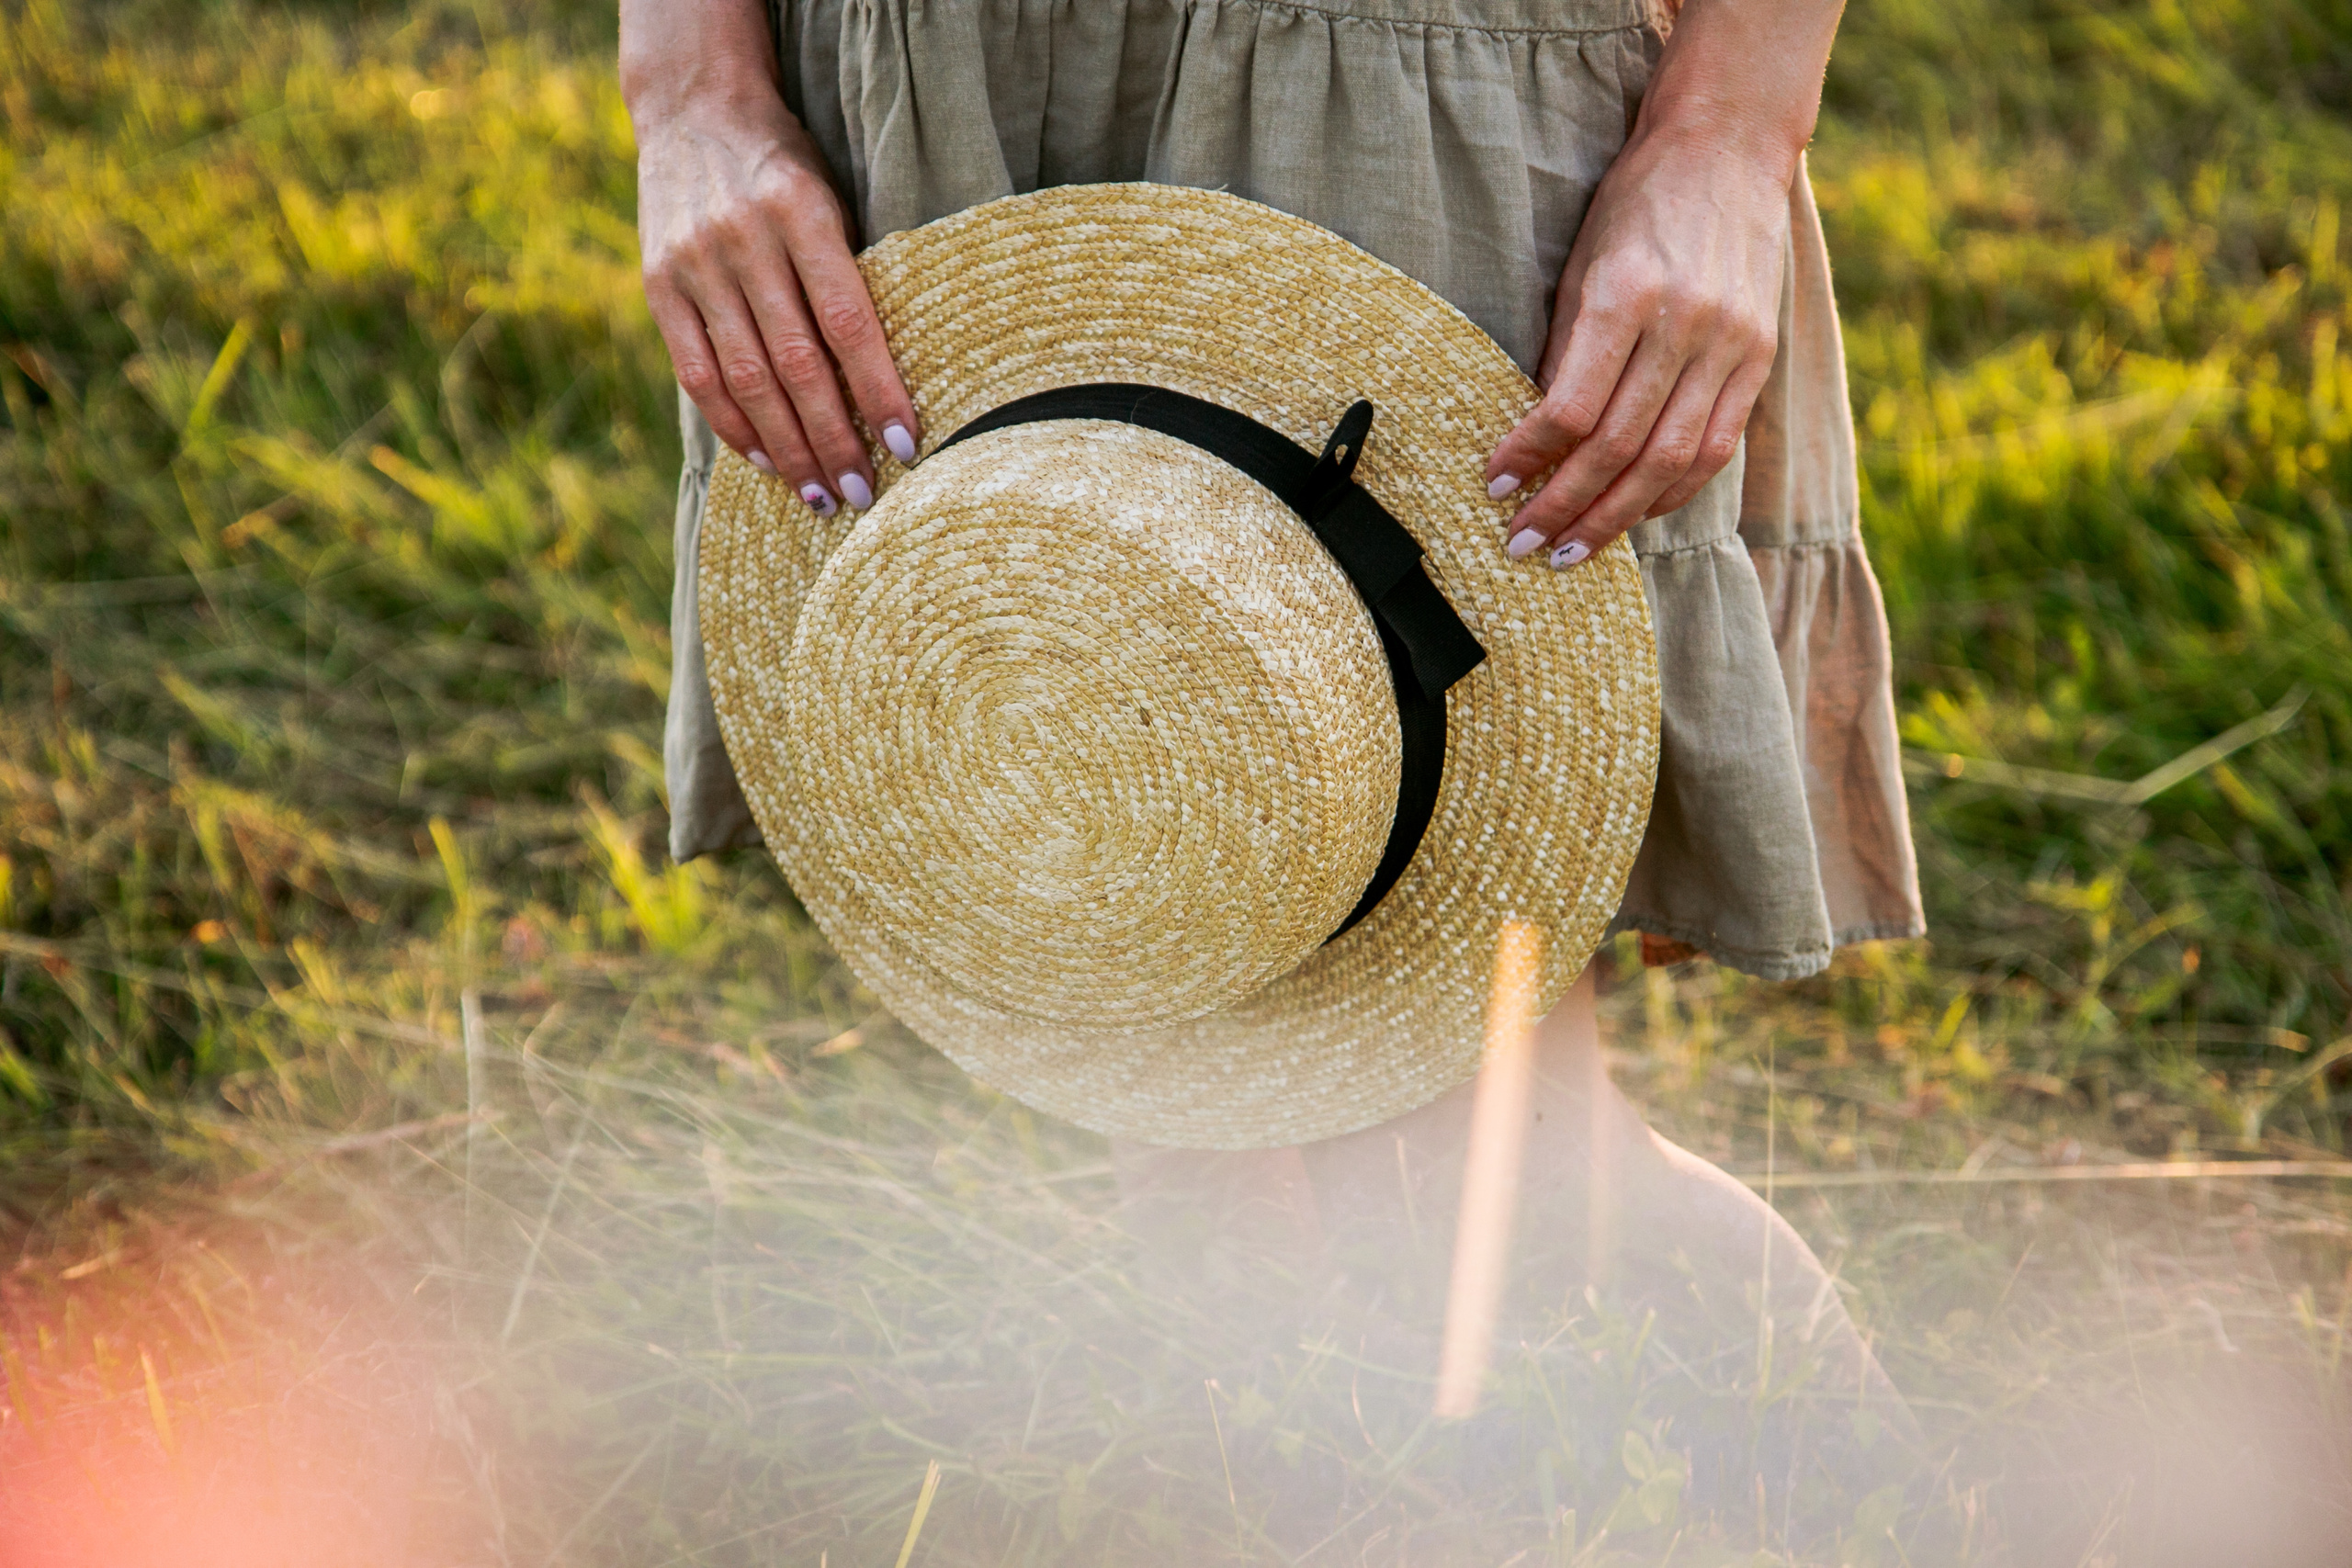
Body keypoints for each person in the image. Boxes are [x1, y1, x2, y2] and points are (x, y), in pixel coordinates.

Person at [623, 0, 1925, 1463]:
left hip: (1394, 74)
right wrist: (689, 89)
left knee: (1488, 1180)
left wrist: (1730, 130)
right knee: (1191, 1089)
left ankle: (1879, 1521)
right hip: (954, 66)